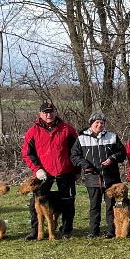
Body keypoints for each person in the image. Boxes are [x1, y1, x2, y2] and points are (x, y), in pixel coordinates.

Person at [22, 101, 78, 240]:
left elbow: (76, 151)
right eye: (46, 112)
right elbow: (28, 153)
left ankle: (66, 230)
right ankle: (35, 230)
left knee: (67, 201)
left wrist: (77, 170)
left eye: (51, 112)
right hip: (44, 174)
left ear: (55, 112)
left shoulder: (67, 129)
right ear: (40, 114)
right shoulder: (33, 131)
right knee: (35, 203)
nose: (49, 115)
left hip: (65, 171)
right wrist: (37, 169)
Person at [70, 111, 126, 238]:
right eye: (97, 122)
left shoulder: (112, 136)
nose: (99, 125)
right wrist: (86, 165)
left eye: (102, 123)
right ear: (91, 123)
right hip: (92, 177)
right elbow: (74, 156)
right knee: (94, 205)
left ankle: (111, 231)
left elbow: (122, 152)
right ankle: (93, 231)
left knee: (111, 205)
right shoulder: (81, 138)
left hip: (111, 177)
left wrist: (112, 158)